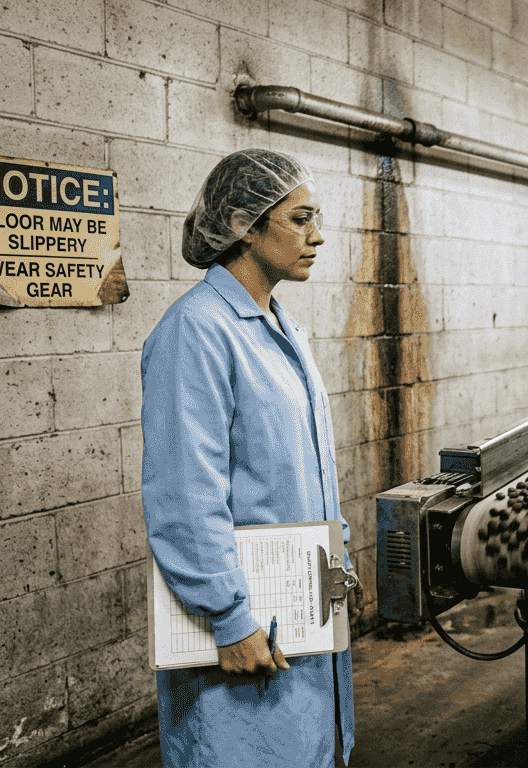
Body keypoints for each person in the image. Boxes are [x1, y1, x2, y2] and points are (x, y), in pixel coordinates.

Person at [140, 149, 354, 767]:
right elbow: (184, 493)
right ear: (242, 222)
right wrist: (229, 618)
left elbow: (293, 470)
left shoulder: (277, 325)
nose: (318, 236)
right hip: (243, 626)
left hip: (295, 610)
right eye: (300, 219)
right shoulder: (197, 331)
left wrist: (331, 562)